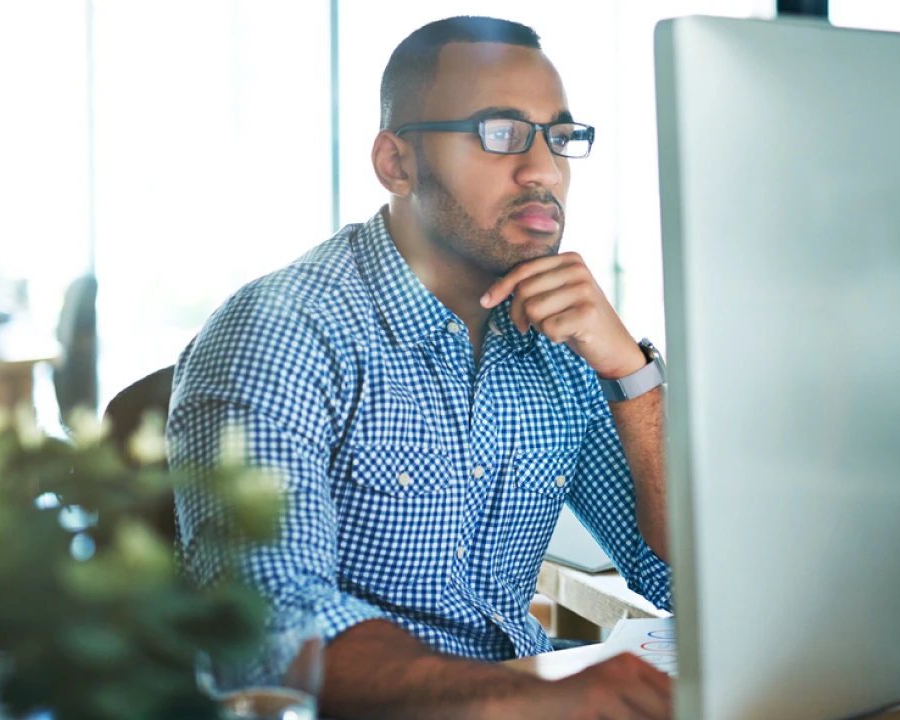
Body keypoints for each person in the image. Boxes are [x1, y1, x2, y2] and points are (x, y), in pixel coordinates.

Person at [168, 15, 673, 720]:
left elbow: (678, 575)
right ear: (395, 163)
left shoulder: (566, 342)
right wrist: (525, 695)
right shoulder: (282, 332)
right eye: (500, 134)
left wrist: (631, 374)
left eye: (559, 138)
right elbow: (271, 630)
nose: (542, 170)